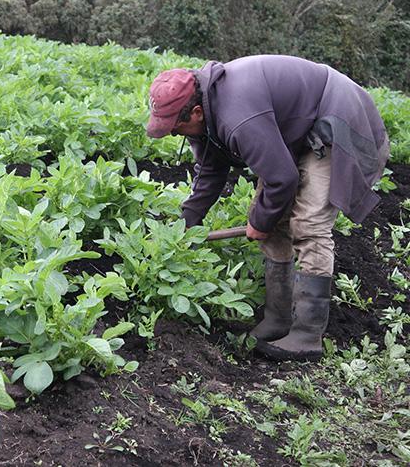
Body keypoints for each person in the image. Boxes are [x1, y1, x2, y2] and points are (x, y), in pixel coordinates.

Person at [145, 55, 390, 362]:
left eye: (175, 128)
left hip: (338, 119)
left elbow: (281, 179)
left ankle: (307, 335)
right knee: (272, 222)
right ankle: (278, 318)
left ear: (194, 112)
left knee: (308, 224)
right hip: (297, 133)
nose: (174, 134)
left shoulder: (237, 116)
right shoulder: (205, 116)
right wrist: (185, 224)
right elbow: (210, 170)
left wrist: (259, 223)